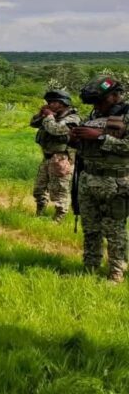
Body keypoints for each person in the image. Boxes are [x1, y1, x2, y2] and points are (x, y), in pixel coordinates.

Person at [69, 76, 129, 284]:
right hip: (88, 179)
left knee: (115, 231)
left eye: (101, 101)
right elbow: (86, 145)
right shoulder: (94, 114)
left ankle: (116, 272)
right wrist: (76, 139)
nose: (97, 106)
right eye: (94, 103)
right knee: (91, 228)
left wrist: (100, 136)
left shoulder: (127, 115)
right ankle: (90, 267)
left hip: (115, 182)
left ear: (115, 96)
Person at [29, 88, 80, 221]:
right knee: (39, 189)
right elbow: (33, 124)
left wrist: (49, 116)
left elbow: (55, 130)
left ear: (62, 103)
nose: (49, 104)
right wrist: (41, 114)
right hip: (47, 158)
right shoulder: (52, 116)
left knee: (60, 191)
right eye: (49, 102)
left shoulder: (72, 118)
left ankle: (59, 218)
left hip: (61, 159)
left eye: (53, 102)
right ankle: (39, 212)